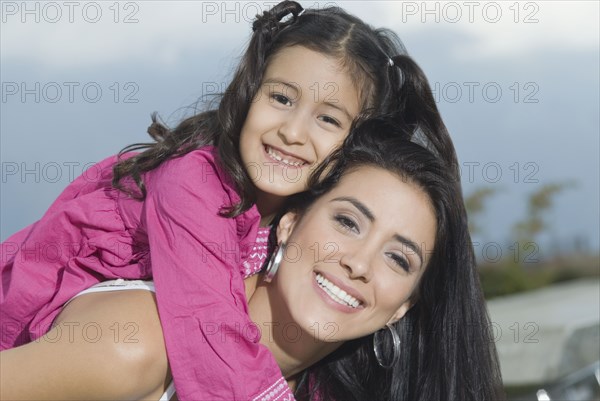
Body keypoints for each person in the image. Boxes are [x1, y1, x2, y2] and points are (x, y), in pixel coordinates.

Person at [1, 1, 458, 400]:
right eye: (280, 98)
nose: (293, 132)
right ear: (248, 93)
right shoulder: (193, 180)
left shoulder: (271, 213)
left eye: (328, 120)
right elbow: (208, 321)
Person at [1, 117, 505, 400]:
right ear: (288, 224)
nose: (358, 263)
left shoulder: (313, 389)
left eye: (399, 259)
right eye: (348, 223)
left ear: (403, 307)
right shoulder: (136, 345)